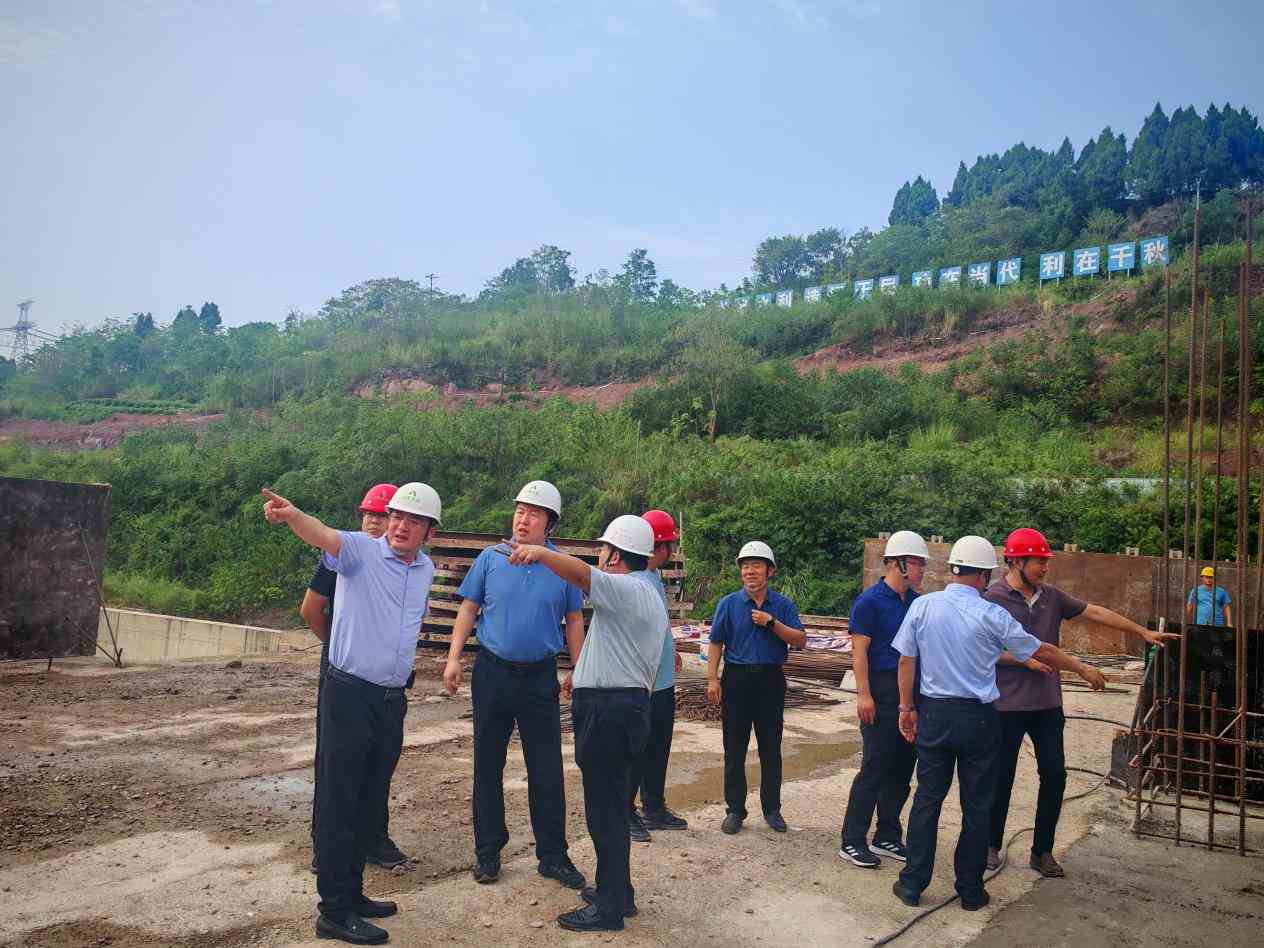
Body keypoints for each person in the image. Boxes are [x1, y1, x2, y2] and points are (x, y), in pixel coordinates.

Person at [263, 481, 441, 946]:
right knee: (339, 801)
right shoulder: (360, 550)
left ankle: (354, 893)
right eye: (397, 516)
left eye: (414, 521)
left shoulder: (425, 569)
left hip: (391, 700)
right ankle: (334, 911)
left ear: (430, 532)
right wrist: (293, 515)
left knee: (367, 799)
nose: (401, 526)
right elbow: (322, 534)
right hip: (349, 695)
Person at [890, 535, 1107, 913]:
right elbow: (1041, 650)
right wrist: (1081, 668)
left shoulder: (923, 606)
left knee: (927, 799)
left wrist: (906, 708)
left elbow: (907, 660)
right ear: (984, 575)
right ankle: (971, 891)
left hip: (936, 714)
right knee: (977, 805)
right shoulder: (992, 614)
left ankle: (912, 884)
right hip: (979, 718)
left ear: (954, 569)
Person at [986, 527, 1179, 877]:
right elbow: (985, 651)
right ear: (1016, 562)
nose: (1045, 568)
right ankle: (990, 845)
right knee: (1000, 777)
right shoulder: (992, 598)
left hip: (1046, 704)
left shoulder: (1051, 597)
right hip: (1006, 705)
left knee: (1055, 776)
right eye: (1038, 562)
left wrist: (1142, 632)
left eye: (1046, 561)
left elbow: (1097, 613)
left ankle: (1042, 851)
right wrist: (1025, 659)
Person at [505, 515, 666, 933]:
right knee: (611, 807)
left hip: (610, 712)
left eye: (604, 549)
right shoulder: (644, 592)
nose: (600, 556)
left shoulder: (628, 588)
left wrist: (539, 553)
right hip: (620, 707)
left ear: (615, 556)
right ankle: (618, 892)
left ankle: (609, 908)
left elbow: (580, 574)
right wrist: (582, 673)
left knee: (605, 813)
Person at [442, 481, 586, 891]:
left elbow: (574, 620)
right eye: (520, 511)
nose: (523, 520)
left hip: (540, 677)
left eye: (534, 514)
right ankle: (488, 852)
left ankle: (553, 856)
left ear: (550, 524)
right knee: (488, 764)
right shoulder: (490, 559)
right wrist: (453, 658)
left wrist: (579, 667)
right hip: (493, 673)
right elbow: (469, 608)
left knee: (546, 768)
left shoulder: (563, 567)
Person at [301, 483, 405, 875]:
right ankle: (326, 847)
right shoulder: (342, 556)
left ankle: (373, 838)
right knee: (335, 763)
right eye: (369, 515)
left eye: (382, 516)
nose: (374, 523)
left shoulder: (406, 565)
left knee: (379, 759)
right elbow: (311, 610)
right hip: (343, 671)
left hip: (385, 681)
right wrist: (337, 644)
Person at [838, 530, 927, 869]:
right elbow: (859, 652)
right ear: (896, 563)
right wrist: (864, 695)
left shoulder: (918, 602)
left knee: (902, 769)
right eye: (916, 562)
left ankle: (887, 834)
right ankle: (852, 839)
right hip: (880, 688)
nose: (921, 569)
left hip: (910, 693)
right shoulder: (869, 602)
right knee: (874, 768)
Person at [706, 541, 807, 835]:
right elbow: (716, 642)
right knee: (734, 748)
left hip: (770, 681)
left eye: (757, 566)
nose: (750, 571)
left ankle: (772, 809)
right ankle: (735, 810)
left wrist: (771, 623)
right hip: (736, 680)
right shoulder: (728, 604)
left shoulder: (782, 606)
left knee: (770, 747)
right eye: (746, 566)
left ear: (770, 571)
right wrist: (712, 679)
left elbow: (800, 640)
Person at [628, 509, 688, 840]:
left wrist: (670, 649)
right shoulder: (634, 580)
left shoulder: (653, 578)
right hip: (643, 684)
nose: (672, 551)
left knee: (658, 747)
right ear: (659, 547)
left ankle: (653, 806)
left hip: (662, 682)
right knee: (637, 749)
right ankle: (625, 811)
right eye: (670, 545)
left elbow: (656, 625)